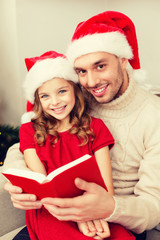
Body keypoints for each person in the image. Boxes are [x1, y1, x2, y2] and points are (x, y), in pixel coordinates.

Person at [3, 11, 160, 240]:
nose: (91, 82)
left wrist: (106, 208)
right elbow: (27, 142)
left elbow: (153, 206)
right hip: (58, 209)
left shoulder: (153, 115)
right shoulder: (76, 100)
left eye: (100, 66)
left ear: (124, 60)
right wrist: (21, 181)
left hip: (116, 218)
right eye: (82, 71)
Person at [9, 50, 135, 240]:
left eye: (62, 91)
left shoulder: (95, 127)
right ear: (38, 100)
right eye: (45, 96)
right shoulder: (29, 131)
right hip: (51, 210)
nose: (55, 102)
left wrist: (89, 215)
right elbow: (43, 187)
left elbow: (107, 189)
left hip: (93, 206)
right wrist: (78, 218)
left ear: (76, 92)